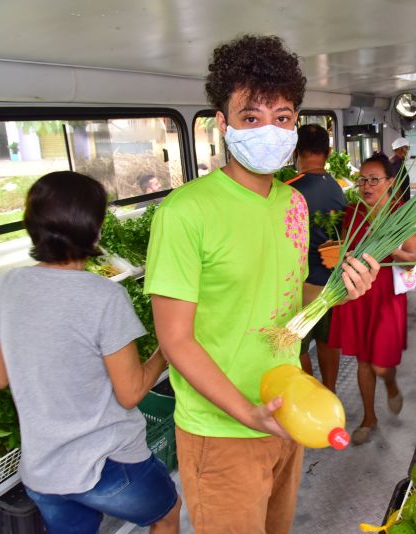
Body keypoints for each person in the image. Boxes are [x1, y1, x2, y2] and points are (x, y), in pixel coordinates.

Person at [143, 35, 379, 534]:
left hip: (287, 407)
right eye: (251, 117)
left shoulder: (292, 203)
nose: (269, 130)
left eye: (284, 117)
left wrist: (340, 290)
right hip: (222, 429)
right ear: (223, 123)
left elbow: (292, 315)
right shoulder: (186, 212)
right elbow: (175, 338)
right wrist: (247, 413)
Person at [0, 171, 181, 533]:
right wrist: (165, 351)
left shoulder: (5, 286)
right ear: (96, 229)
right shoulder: (103, 296)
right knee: (168, 512)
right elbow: (131, 393)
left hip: (43, 472)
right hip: (109, 466)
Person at [328, 153, 416, 446]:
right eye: (363, 180)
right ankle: (369, 417)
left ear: (390, 182)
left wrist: (391, 248)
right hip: (359, 294)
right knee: (364, 360)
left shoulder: (401, 213)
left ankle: (391, 384)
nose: (367, 186)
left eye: (374, 180)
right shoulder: (352, 213)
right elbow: (344, 249)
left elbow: (412, 261)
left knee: (381, 362)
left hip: (387, 294)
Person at [289, 123, 347, 392]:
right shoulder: (337, 188)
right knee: (327, 341)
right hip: (332, 284)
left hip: (302, 288)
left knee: (297, 346)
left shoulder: (289, 191)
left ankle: (312, 395)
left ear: (296, 151)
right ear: (328, 152)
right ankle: (331, 390)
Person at [389, 137, 411, 202]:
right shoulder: (397, 163)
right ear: (401, 149)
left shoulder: (394, 160)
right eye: (407, 148)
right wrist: (401, 204)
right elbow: (394, 185)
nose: (408, 151)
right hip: (399, 206)